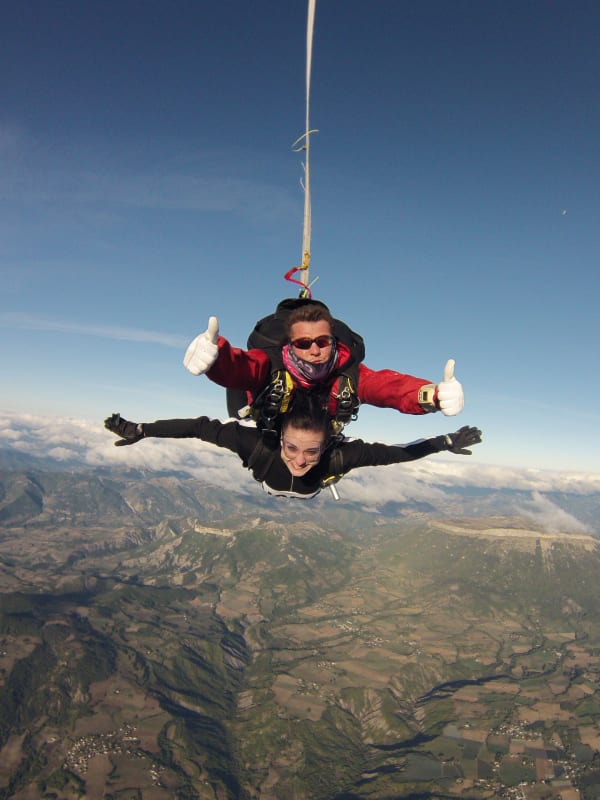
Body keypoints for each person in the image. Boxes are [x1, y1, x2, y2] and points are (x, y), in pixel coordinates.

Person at [104, 399, 482, 500]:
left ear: (326, 446)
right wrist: (142, 430)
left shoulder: (340, 456)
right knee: (242, 409)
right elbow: (200, 428)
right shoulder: (259, 445)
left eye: (312, 452)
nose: (300, 460)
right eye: (291, 447)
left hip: (285, 471)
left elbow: (397, 453)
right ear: (279, 438)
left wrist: (444, 442)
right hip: (270, 459)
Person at [182, 301, 464, 431]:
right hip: (269, 424)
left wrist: (431, 395)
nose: (315, 350)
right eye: (304, 343)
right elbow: (243, 367)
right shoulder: (270, 365)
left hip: (311, 437)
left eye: (322, 341)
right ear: (290, 345)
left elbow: (389, 387)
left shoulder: (349, 375)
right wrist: (216, 358)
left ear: (333, 341)